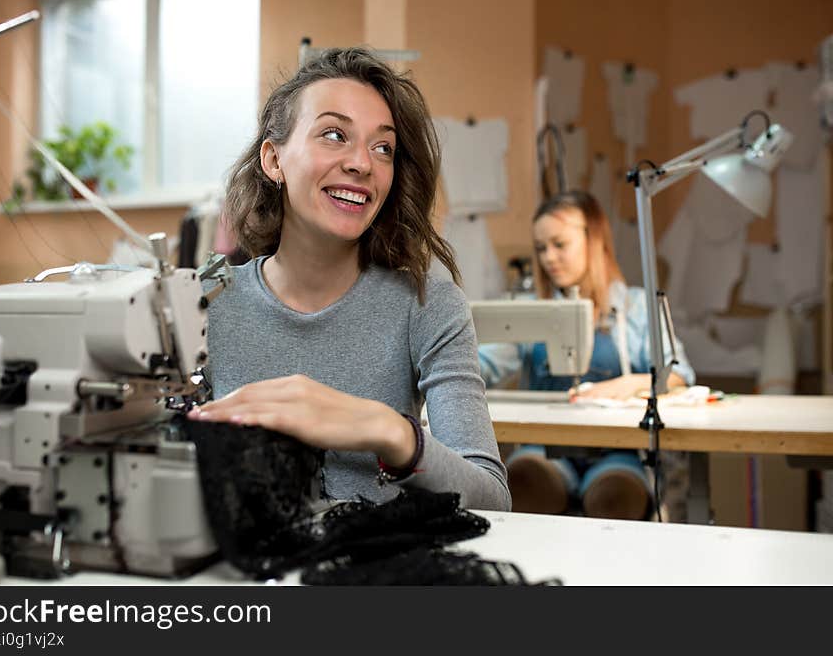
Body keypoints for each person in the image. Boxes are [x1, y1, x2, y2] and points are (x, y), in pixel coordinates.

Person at [187, 47, 511, 512]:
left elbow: (491, 499)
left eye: (383, 148)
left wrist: (390, 432)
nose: (363, 163)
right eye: (335, 135)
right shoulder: (202, 302)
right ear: (273, 160)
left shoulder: (427, 303)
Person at [478, 190, 694, 519]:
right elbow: (486, 363)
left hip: (619, 450)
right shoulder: (531, 311)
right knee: (524, 483)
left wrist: (630, 383)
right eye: (540, 248)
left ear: (593, 240)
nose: (548, 257)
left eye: (559, 244)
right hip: (544, 446)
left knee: (616, 498)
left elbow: (679, 376)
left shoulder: (636, 308)